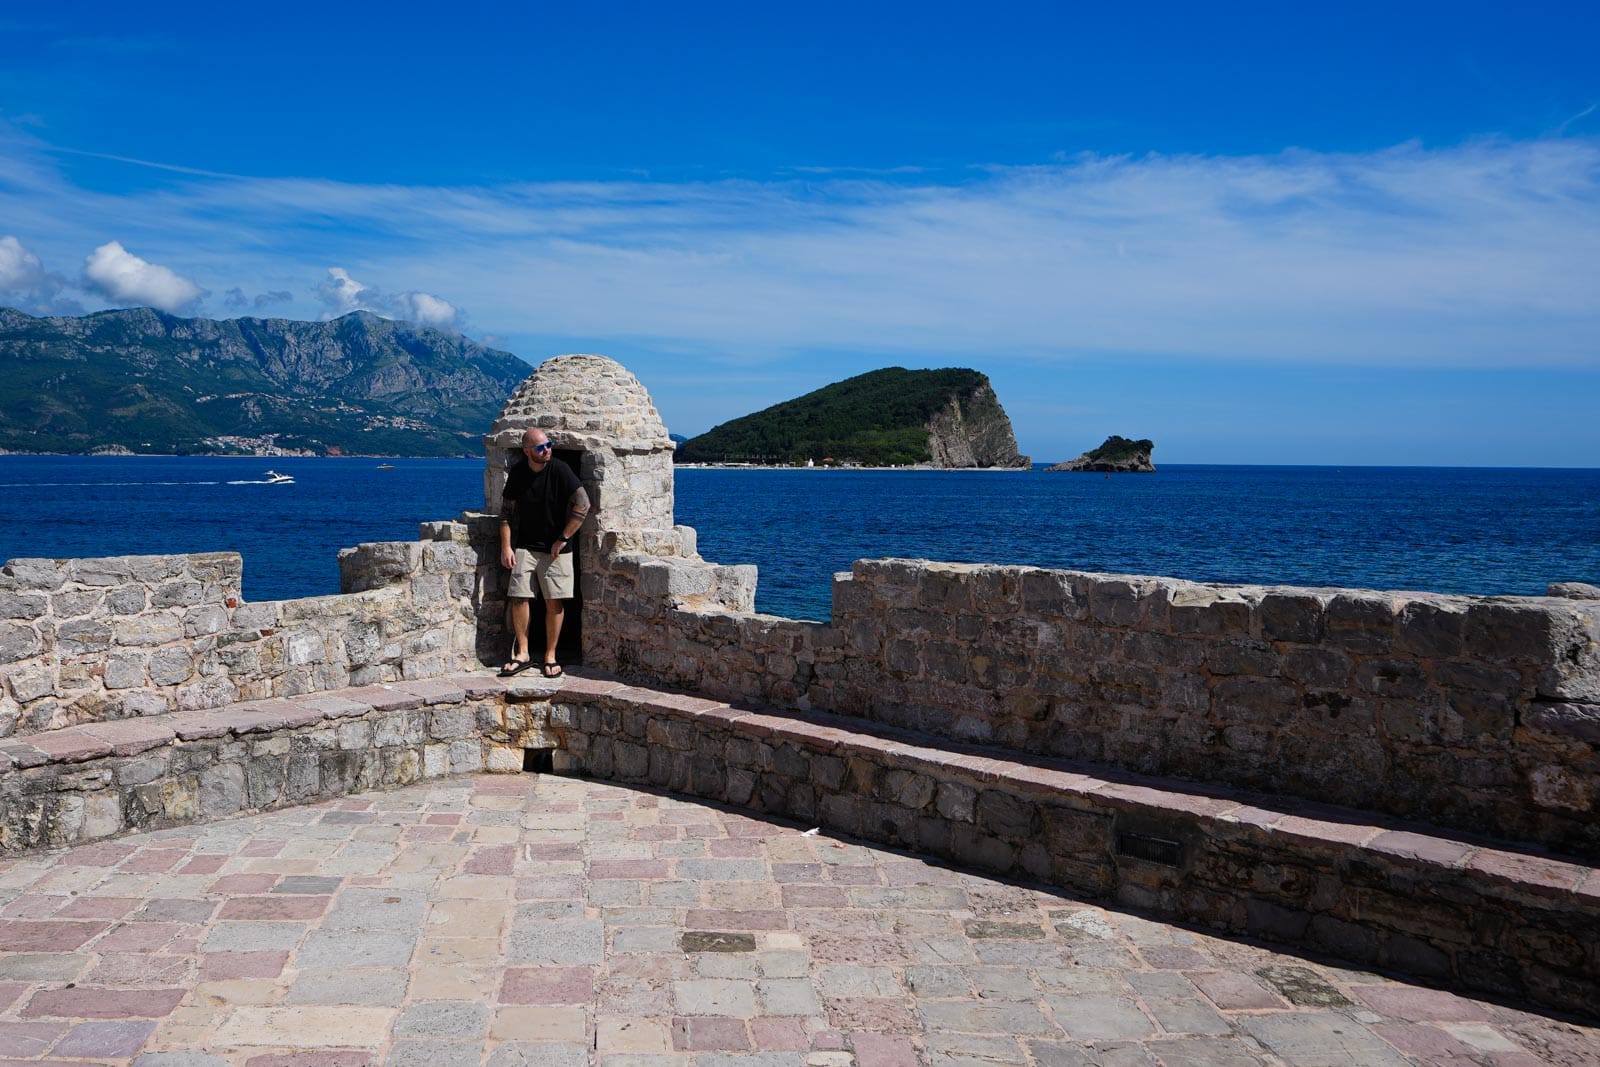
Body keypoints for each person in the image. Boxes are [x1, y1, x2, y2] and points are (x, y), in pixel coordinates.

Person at [498, 428, 590, 678]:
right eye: (540, 447)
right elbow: (506, 513)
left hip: (556, 550)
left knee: (554, 601)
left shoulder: (560, 469)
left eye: (549, 445)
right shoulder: (518, 473)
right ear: (527, 451)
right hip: (526, 546)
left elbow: (583, 503)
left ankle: (550, 655)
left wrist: (564, 538)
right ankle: (523, 653)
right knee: (519, 597)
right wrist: (506, 547)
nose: (547, 449)